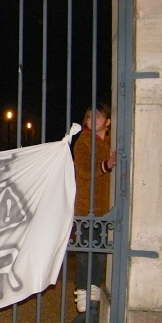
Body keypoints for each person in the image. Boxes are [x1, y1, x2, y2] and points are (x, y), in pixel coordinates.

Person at [73, 103, 116, 312]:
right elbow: (83, 170)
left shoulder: (108, 141)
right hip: (86, 206)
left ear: (107, 122)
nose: (93, 118)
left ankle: (93, 289)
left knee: (98, 250)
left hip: (103, 207)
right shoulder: (84, 141)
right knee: (85, 250)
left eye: (98, 115)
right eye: (90, 116)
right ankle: (83, 290)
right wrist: (107, 165)